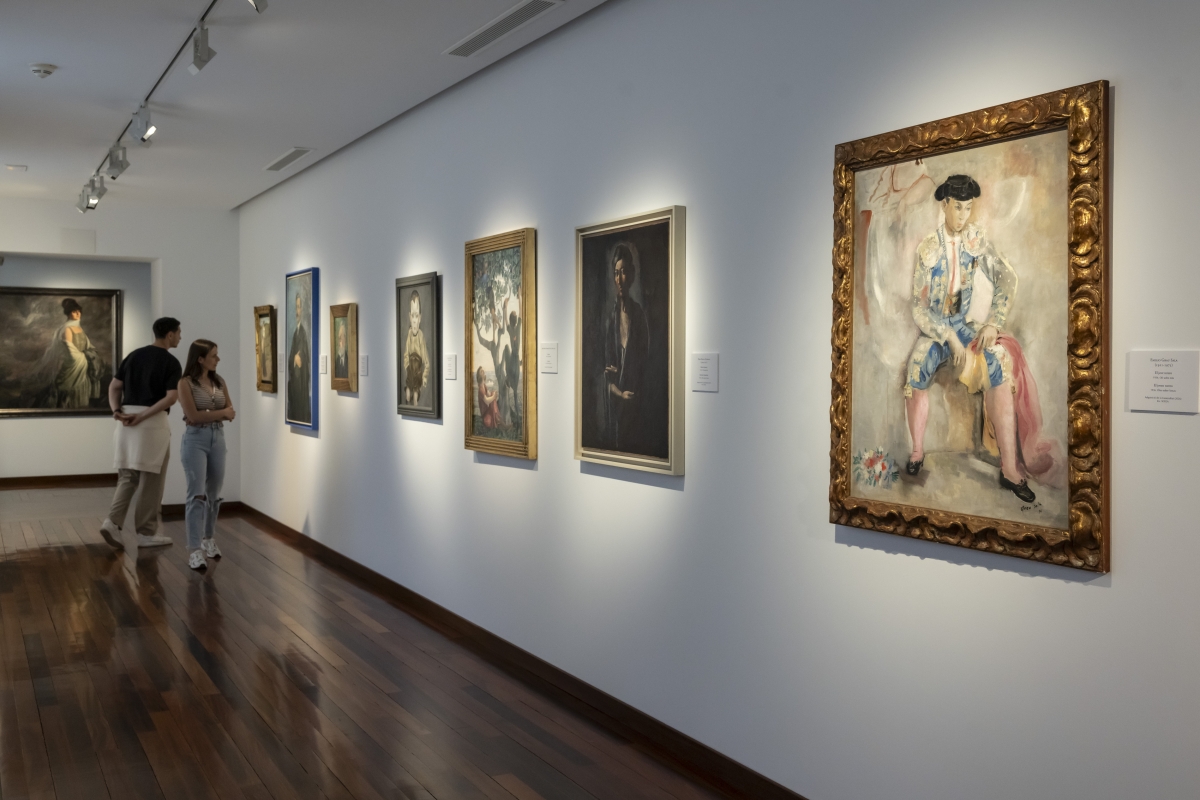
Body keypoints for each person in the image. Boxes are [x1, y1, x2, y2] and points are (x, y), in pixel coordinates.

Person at [904, 174, 1060, 502]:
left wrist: (993, 322)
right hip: (936, 328)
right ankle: (917, 452)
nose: (964, 216)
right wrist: (946, 334)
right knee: (916, 367)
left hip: (964, 325)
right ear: (945, 205)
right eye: (958, 208)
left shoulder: (976, 239)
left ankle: (1009, 469)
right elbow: (918, 308)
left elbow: (1007, 278)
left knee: (999, 363)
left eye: (968, 208)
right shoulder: (928, 248)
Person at [99, 317, 182, 550]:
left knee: (127, 477)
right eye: (178, 332)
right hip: (152, 423)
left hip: (126, 421)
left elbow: (114, 387)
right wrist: (144, 415)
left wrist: (116, 411)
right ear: (169, 335)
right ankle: (146, 533)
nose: (180, 337)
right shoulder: (171, 362)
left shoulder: (133, 356)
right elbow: (171, 398)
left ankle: (112, 522)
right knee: (152, 480)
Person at [177, 339, 235, 570]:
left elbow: (231, 412)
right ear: (200, 359)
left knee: (213, 493)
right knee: (196, 495)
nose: (218, 359)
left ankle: (208, 539)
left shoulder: (219, 381)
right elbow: (193, 416)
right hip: (195, 440)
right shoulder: (185, 383)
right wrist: (218, 413)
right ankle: (194, 550)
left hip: (217, 438)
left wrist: (209, 414)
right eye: (213, 355)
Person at [602, 242, 649, 453]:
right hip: (616, 410)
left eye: (623, 272)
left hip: (638, 409)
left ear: (631, 275)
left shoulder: (639, 317)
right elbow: (606, 378)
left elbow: (645, 367)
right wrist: (618, 392)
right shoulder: (611, 321)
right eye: (616, 273)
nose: (619, 279)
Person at [30, 298, 102, 408]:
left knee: (82, 398)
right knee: (69, 397)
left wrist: (92, 354)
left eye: (79, 311)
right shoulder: (66, 329)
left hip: (82, 369)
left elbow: (88, 346)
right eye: (74, 311)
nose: (78, 314)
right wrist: (86, 357)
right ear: (68, 313)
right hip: (72, 366)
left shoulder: (80, 329)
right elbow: (71, 352)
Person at [403, 290, 430, 404]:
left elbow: (426, 362)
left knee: (415, 396)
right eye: (413, 316)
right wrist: (407, 368)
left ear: (420, 318)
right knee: (407, 394)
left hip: (418, 373)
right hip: (410, 372)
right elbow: (406, 354)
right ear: (410, 317)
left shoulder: (421, 336)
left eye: (417, 316)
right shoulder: (409, 334)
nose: (414, 320)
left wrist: (424, 377)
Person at [288, 293, 311, 423]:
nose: (297, 310)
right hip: (295, 387)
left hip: (301, 386)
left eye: (299, 307)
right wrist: (293, 359)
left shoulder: (302, 333)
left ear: (302, 309)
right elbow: (291, 359)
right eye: (296, 307)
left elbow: (301, 360)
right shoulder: (295, 333)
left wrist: (297, 358)